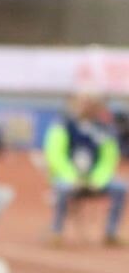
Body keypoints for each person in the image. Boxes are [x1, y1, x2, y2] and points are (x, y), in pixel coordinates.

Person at [44, 93, 126, 247]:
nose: (87, 106)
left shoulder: (105, 129)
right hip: (68, 179)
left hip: (95, 180)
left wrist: (96, 179)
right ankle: (56, 232)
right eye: (84, 102)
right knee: (62, 189)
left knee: (121, 188)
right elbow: (55, 155)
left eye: (91, 102)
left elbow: (108, 158)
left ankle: (111, 233)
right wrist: (73, 178)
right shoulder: (63, 125)